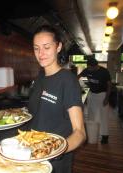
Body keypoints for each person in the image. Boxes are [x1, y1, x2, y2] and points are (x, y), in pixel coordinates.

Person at [28, 25, 86, 173]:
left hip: (55, 162)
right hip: (32, 156)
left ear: (58, 47)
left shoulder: (68, 80)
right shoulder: (40, 77)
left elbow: (79, 133)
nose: (41, 53)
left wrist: (53, 150)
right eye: (36, 48)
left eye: (46, 47)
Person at [78, 57, 111, 144]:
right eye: (88, 67)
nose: (89, 70)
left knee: (103, 116)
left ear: (95, 66)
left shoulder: (104, 72)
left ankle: (105, 136)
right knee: (91, 114)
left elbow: (109, 85)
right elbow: (78, 77)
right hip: (92, 94)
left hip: (102, 95)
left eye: (90, 68)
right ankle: (90, 134)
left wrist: (107, 98)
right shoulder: (87, 70)